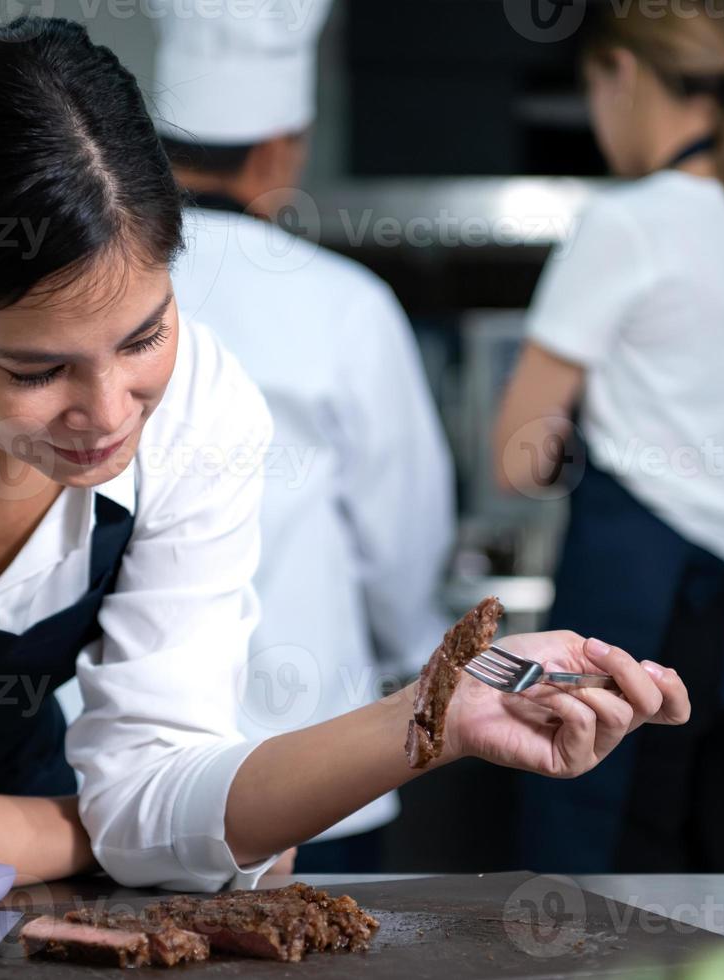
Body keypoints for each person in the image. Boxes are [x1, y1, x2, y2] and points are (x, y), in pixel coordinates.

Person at [0, 17, 690, 911]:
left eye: (142, 336)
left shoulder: (205, 405)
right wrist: (102, 833)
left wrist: (436, 714)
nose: (107, 413)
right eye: (36, 368)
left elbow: (163, 784)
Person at [494, 1, 724, 874]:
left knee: (601, 881)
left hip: (644, 608)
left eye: (594, 93)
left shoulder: (627, 221)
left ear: (623, 75)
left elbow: (517, 455)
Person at [143, 0, 457, 872]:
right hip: (324, 766)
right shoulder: (344, 303)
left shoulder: (98, 291)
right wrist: (414, 652)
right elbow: (401, 533)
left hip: (124, 769)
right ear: (284, 149)